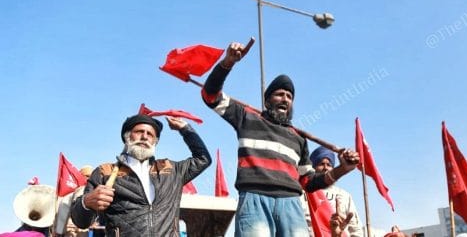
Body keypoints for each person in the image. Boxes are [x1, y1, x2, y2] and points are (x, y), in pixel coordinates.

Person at [201, 40, 359, 236]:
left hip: (291, 204)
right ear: (267, 101)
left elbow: (309, 183)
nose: (285, 99)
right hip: (254, 199)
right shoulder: (246, 118)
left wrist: (343, 169)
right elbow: (210, 95)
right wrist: (228, 62)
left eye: (289, 96)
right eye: (279, 94)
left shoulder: (298, 138)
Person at [70, 114, 211, 236]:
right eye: (139, 131)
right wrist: (86, 202)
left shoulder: (171, 170)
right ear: (127, 137)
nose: (144, 136)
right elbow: (81, 222)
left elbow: (203, 159)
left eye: (150, 134)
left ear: (155, 142)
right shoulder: (105, 172)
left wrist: (185, 129)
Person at [304, 146, 363, 237]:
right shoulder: (303, 192)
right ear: (313, 167)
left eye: (329, 165)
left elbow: (355, 229)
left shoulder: (344, 196)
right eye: (321, 164)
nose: (325, 168)